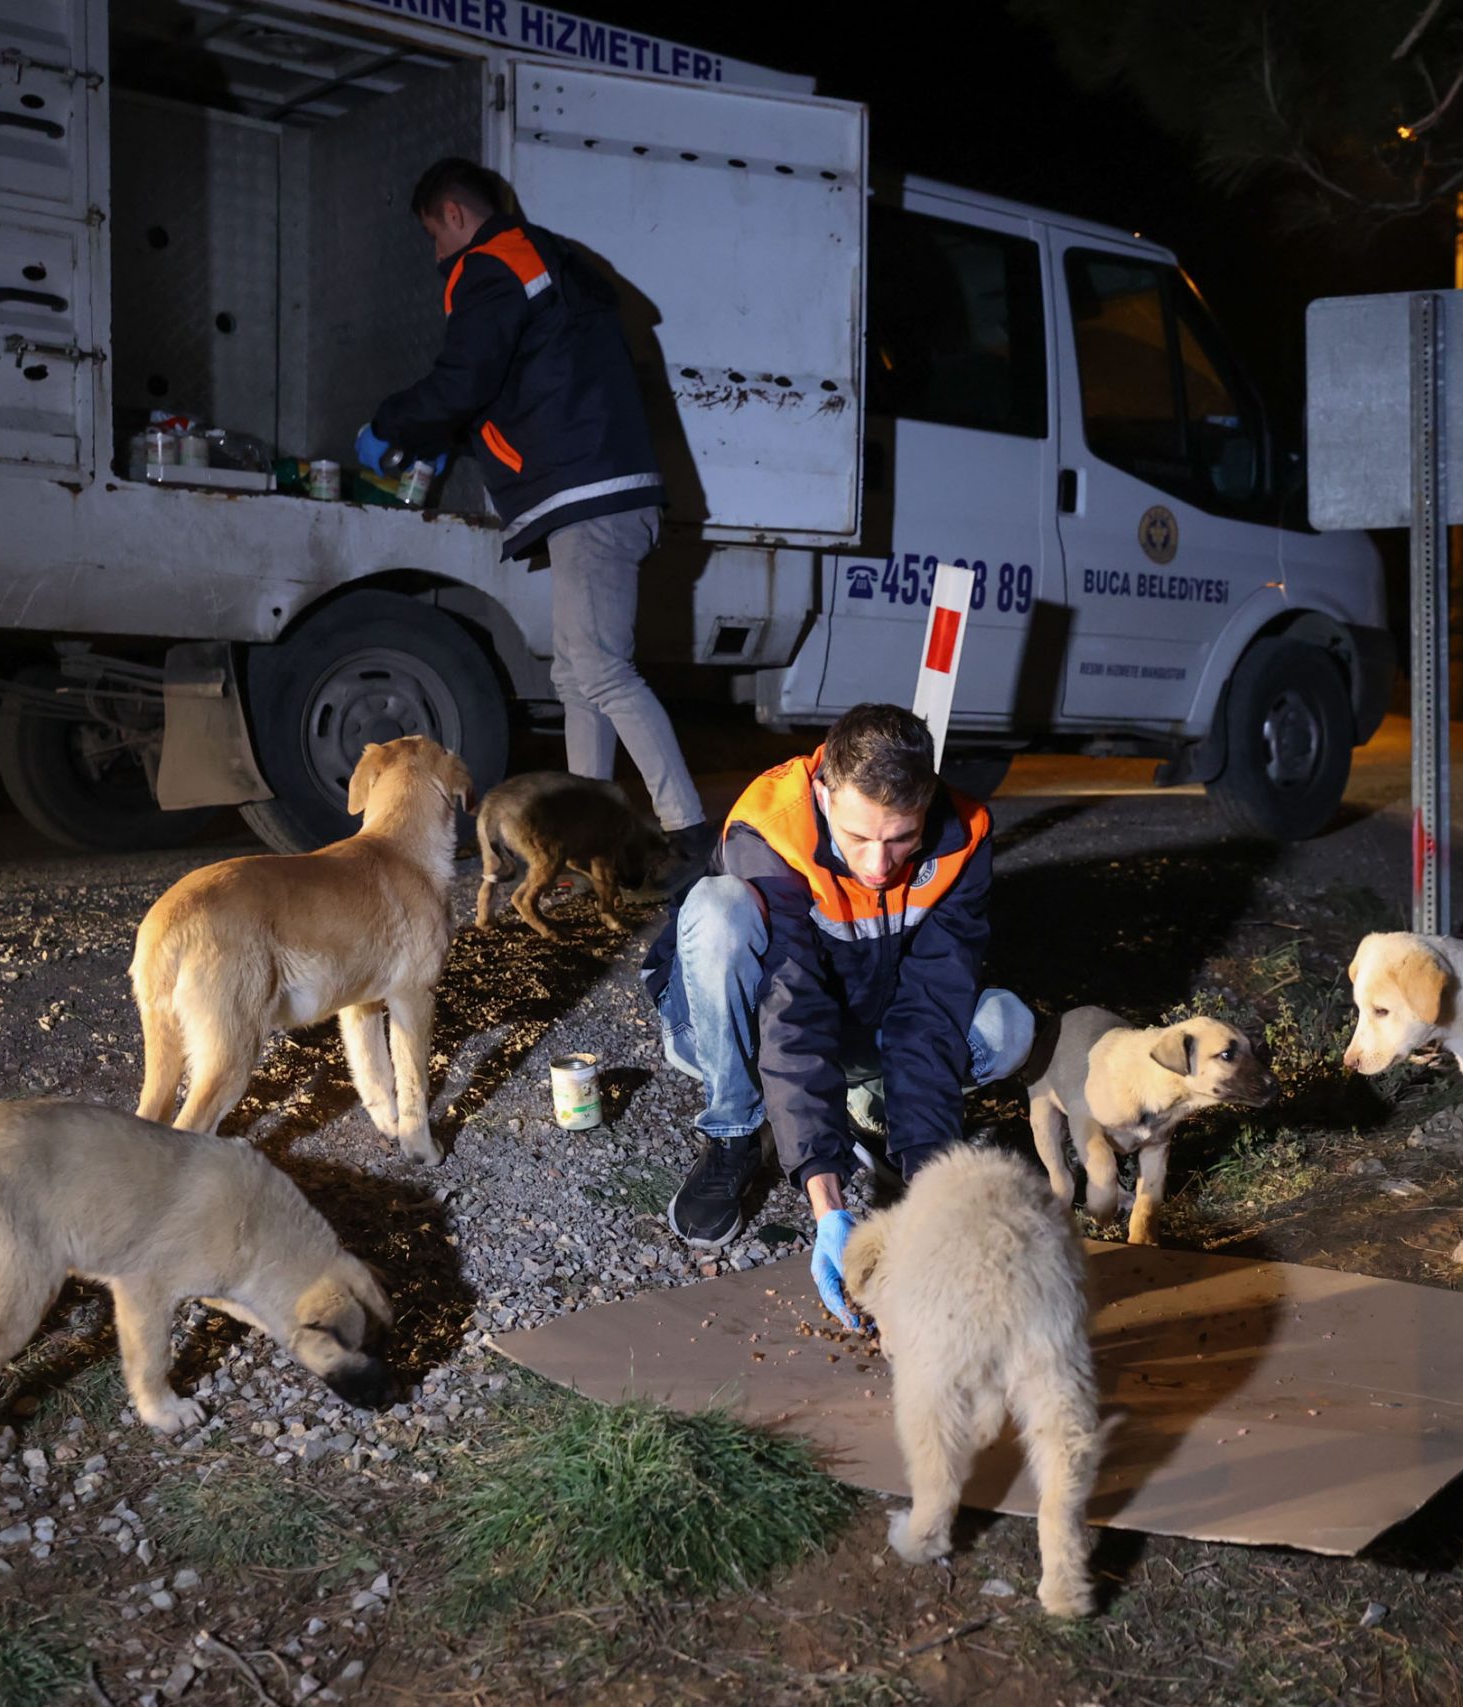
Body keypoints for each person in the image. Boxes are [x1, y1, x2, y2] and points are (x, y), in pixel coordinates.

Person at [358, 157, 714, 881]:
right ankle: (592, 841)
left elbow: (465, 379)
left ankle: (690, 837)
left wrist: (390, 421)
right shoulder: (549, 263)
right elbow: (517, 381)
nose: (437, 254)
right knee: (578, 675)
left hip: (593, 493)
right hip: (596, 489)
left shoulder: (493, 265)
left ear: (455, 215)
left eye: (433, 235)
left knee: (603, 669)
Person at [639, 703, 1033, 1326]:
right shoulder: (771, 827)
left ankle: (866, 1106)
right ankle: (734, 1132)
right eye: (860, 839)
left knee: (1007, 1028)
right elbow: (790, 1011)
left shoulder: (965, 835)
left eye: (902, 837)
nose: (879, 867)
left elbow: (930, 1007)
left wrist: (929, 1190)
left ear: (927, 801)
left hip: (863, 1013)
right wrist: (827, 1201)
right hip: (736, 1023)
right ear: (824, 795)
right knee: (718, 911)